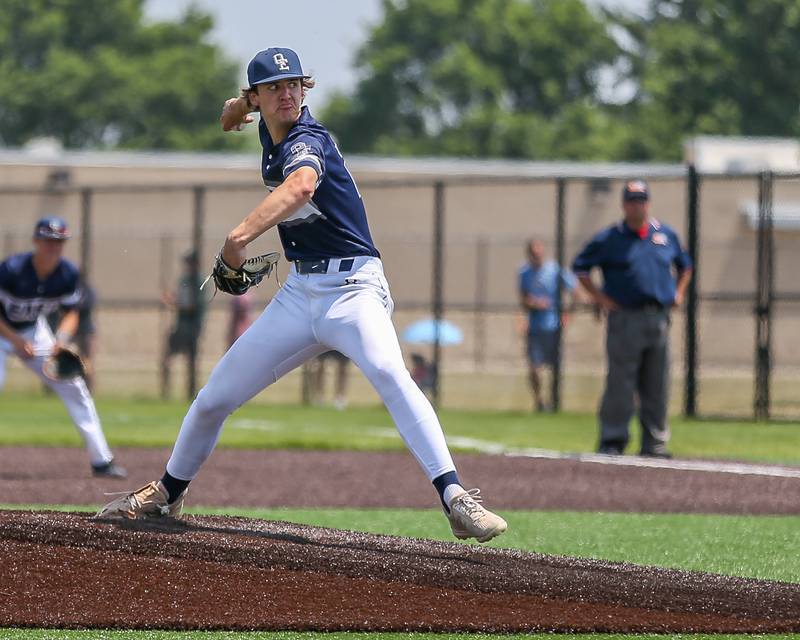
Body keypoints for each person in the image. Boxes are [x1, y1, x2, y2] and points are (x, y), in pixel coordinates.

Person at [97, 47, 506, 543]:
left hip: (354, 288)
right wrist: (237, 108)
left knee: (388, 373)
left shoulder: (307, 139)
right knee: (212, 400)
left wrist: (236, 239)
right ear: (258, 95)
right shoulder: (270, 124)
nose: (287, 93)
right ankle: (166, 492)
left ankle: (456, 498)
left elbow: (302, 187)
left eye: (295, 83)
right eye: (275, 87)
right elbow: (243, 108)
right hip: (300, 292)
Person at [572, 180, 692, 457]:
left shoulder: (665, 234)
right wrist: (600, 299)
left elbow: (685, 266)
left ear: (648, 202)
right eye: (632, 200)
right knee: (621, 382)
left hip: (658, 317)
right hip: (625, 317)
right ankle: (613, 439)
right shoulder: (610, 238)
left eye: (641, 199)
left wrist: (679, 292)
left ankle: (655, 442)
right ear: (624, 204)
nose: (637, 204)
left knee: (657, 383)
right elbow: (580, 268)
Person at [0, 217, 126, 478]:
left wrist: (61, 339)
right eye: (47, 240)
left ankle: (101, 461)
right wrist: (15, 341)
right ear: (36, 241)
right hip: (5, 332)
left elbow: (71, 313)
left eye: (58, 241)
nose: (53, 246)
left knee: (75, 388)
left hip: (33, 332)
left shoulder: (67, 274)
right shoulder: (11, 269)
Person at [518, 238, 577, 412]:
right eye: (533, 254)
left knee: (555, 367)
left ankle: (554, 401)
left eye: (539, 253)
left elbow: (575, 291)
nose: (537, 257)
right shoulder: (524, 272)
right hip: (534, 327)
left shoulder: (555, 270)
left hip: (553, 327)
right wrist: (534, 304)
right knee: (534, 368)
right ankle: (539, 401)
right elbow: (522, 298)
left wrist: (567, 315)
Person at [160, 250, 207, 399]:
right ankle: (166, 393)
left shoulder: (199, 281)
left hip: (192, 326)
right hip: (181, 325)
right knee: (167, 358)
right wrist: (172, 299)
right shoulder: (184, 279)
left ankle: (191, 392)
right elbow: (181, 299)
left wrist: (175, 303)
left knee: (191, 360)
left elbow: (192, 305)